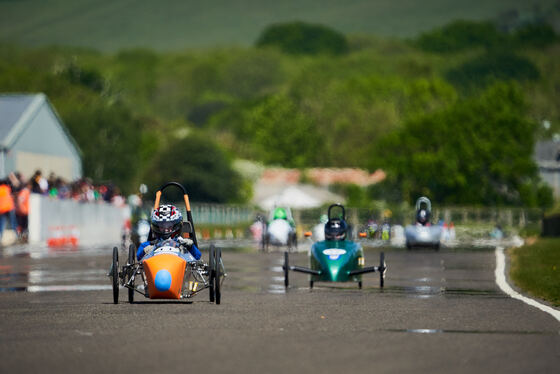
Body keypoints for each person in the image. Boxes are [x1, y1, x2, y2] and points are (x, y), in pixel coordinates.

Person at [136, 204, 201, 262]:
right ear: (157, 226)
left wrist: (191, 246)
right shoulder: (150, 244)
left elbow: (198, 256)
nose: (166, 229)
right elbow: (138, 257)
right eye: (162, 225)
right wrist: (145, 250)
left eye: (169, 225)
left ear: (176, 225)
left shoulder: (183, 242)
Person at [0, 179, 17, 244]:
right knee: (13, 222)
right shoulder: (7, 188)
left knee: (1, 223)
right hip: (9, 207)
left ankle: (1, 236)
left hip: (1, 209)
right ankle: (16, 235)